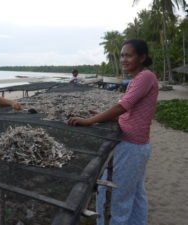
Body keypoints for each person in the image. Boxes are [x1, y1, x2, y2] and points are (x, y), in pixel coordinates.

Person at [68, 39, 158, 225]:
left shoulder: (145, 77)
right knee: (135, 193)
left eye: (129, 55)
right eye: (122, 55)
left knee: (115, 196)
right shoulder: (139, 78)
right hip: (138, 145)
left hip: (132, 146)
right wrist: (101, 115)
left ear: (142, 57)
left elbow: (123, 106)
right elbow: (130, 113)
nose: (124, 59)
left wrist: (89, 121)